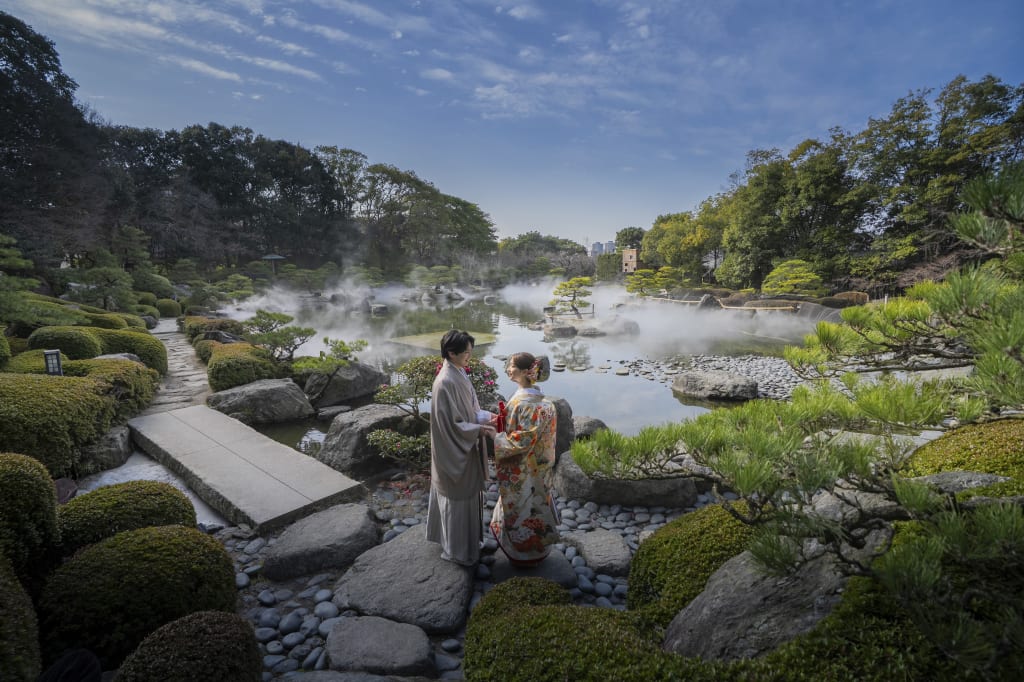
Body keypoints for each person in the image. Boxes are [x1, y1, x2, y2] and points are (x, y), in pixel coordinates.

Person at [425, 329, 497, 566]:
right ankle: (456, 551)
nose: (469, 356)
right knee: (457, 498)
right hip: (453, 448)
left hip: (463, 444)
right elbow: (451, 425)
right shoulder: (445, 381)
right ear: (451, 353)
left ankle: (470, 544)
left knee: (467, 497)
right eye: (466, 352)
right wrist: (479, 430)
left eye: (470, 351)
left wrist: (488, 417)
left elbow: (469, 410)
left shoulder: (458, 372)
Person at [490, 352, 560, 566]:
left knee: (523, 506)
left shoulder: (525, 403)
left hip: (524, 465)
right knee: (536, 502)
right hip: (540, 463)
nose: (508, 370)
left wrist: (495, 437)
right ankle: (538, 550)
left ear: (524, 371)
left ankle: (525, 555)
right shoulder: (544, 402)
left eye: (511, 366)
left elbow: (522, 440)